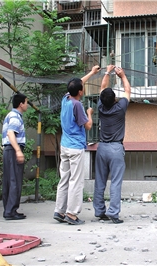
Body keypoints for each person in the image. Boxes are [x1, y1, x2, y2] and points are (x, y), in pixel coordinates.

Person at [53, 65, 100, 225]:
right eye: (82, 88)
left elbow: (79, 82)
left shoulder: (65, 99)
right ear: (80, 92)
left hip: (64, 146)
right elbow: (87, 126)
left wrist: (92, 73)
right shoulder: (77, 106)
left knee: (64, 179)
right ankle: (71, 214)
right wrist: (89, 114)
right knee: (76, 181)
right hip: (75, 148)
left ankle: (59, 211)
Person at [93, 65, 131, 224]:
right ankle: (113, 214)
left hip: (101, 147)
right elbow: (128, 91)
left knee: (100, 181)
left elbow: (102, 87)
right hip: (116, 148)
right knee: (115, 182)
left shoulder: (101, 108)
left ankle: (99, 211)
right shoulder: (120, 108)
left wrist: (107, 72)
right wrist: (122, 76)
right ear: (115, 98)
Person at [2, 93, 28, 220]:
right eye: (26, 102)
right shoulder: (15, 116)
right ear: (21, 104)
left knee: (8, 180)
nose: (27, 105)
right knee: (14, 180)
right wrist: (18, 150)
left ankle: (8, 209)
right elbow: (10, 132)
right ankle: (11, 211)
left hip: (8, 149)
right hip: (13, 149)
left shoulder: (10, 115)